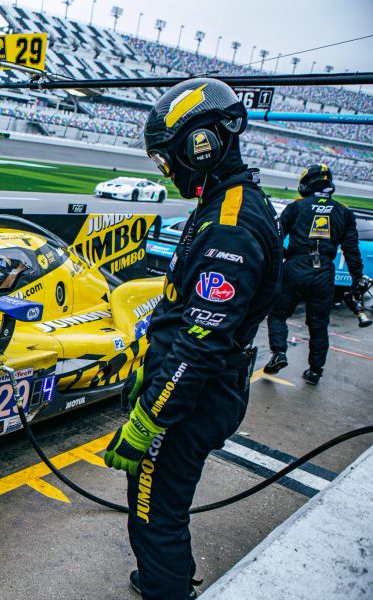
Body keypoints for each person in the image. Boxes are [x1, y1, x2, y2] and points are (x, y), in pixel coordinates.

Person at [103, 78, 283, 600]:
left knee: (153, 506)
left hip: (195, 397)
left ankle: (167, 587)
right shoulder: (227, 202)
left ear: (199, 144)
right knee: (159, 500)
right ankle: (170, 577)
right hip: (197, 386)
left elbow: (201, 345)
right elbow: (190, 314)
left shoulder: (229, 225)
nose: (168, 171)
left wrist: (149, 416)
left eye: (166, 160)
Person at [263, 164, 365, 384]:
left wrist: (283, 258)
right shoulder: (344, 211)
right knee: (319, 324)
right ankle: (315, 371)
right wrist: (357, 278)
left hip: (296, 266)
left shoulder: (297, 207)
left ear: (306, 184)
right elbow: (351, 249)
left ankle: (279, 353)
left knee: (278, 314)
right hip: (325, 271)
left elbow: (274, 237)